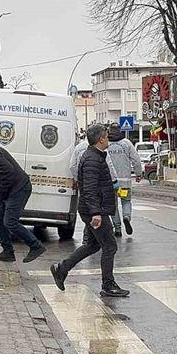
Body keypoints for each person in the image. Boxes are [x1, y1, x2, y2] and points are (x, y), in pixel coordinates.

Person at [50, 124, 128, 298]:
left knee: (92, 245)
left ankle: (61, 268)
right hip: (94, 209)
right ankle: (108, 285)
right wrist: (96, 213)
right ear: (101, 139)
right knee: (109, 246)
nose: (108, 139)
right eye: (106, 136)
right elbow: (91, 188)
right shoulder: (93, 159)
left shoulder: (95, 156)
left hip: (94, 208)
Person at [106, 123, 143, 237]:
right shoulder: (126, 143)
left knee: (114, 205)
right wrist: (138, 173)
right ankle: (126, 216)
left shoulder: (106, 144)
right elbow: (136, 160)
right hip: (125, 182)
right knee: (126, 201)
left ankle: (117, 229)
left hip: (111, 182)